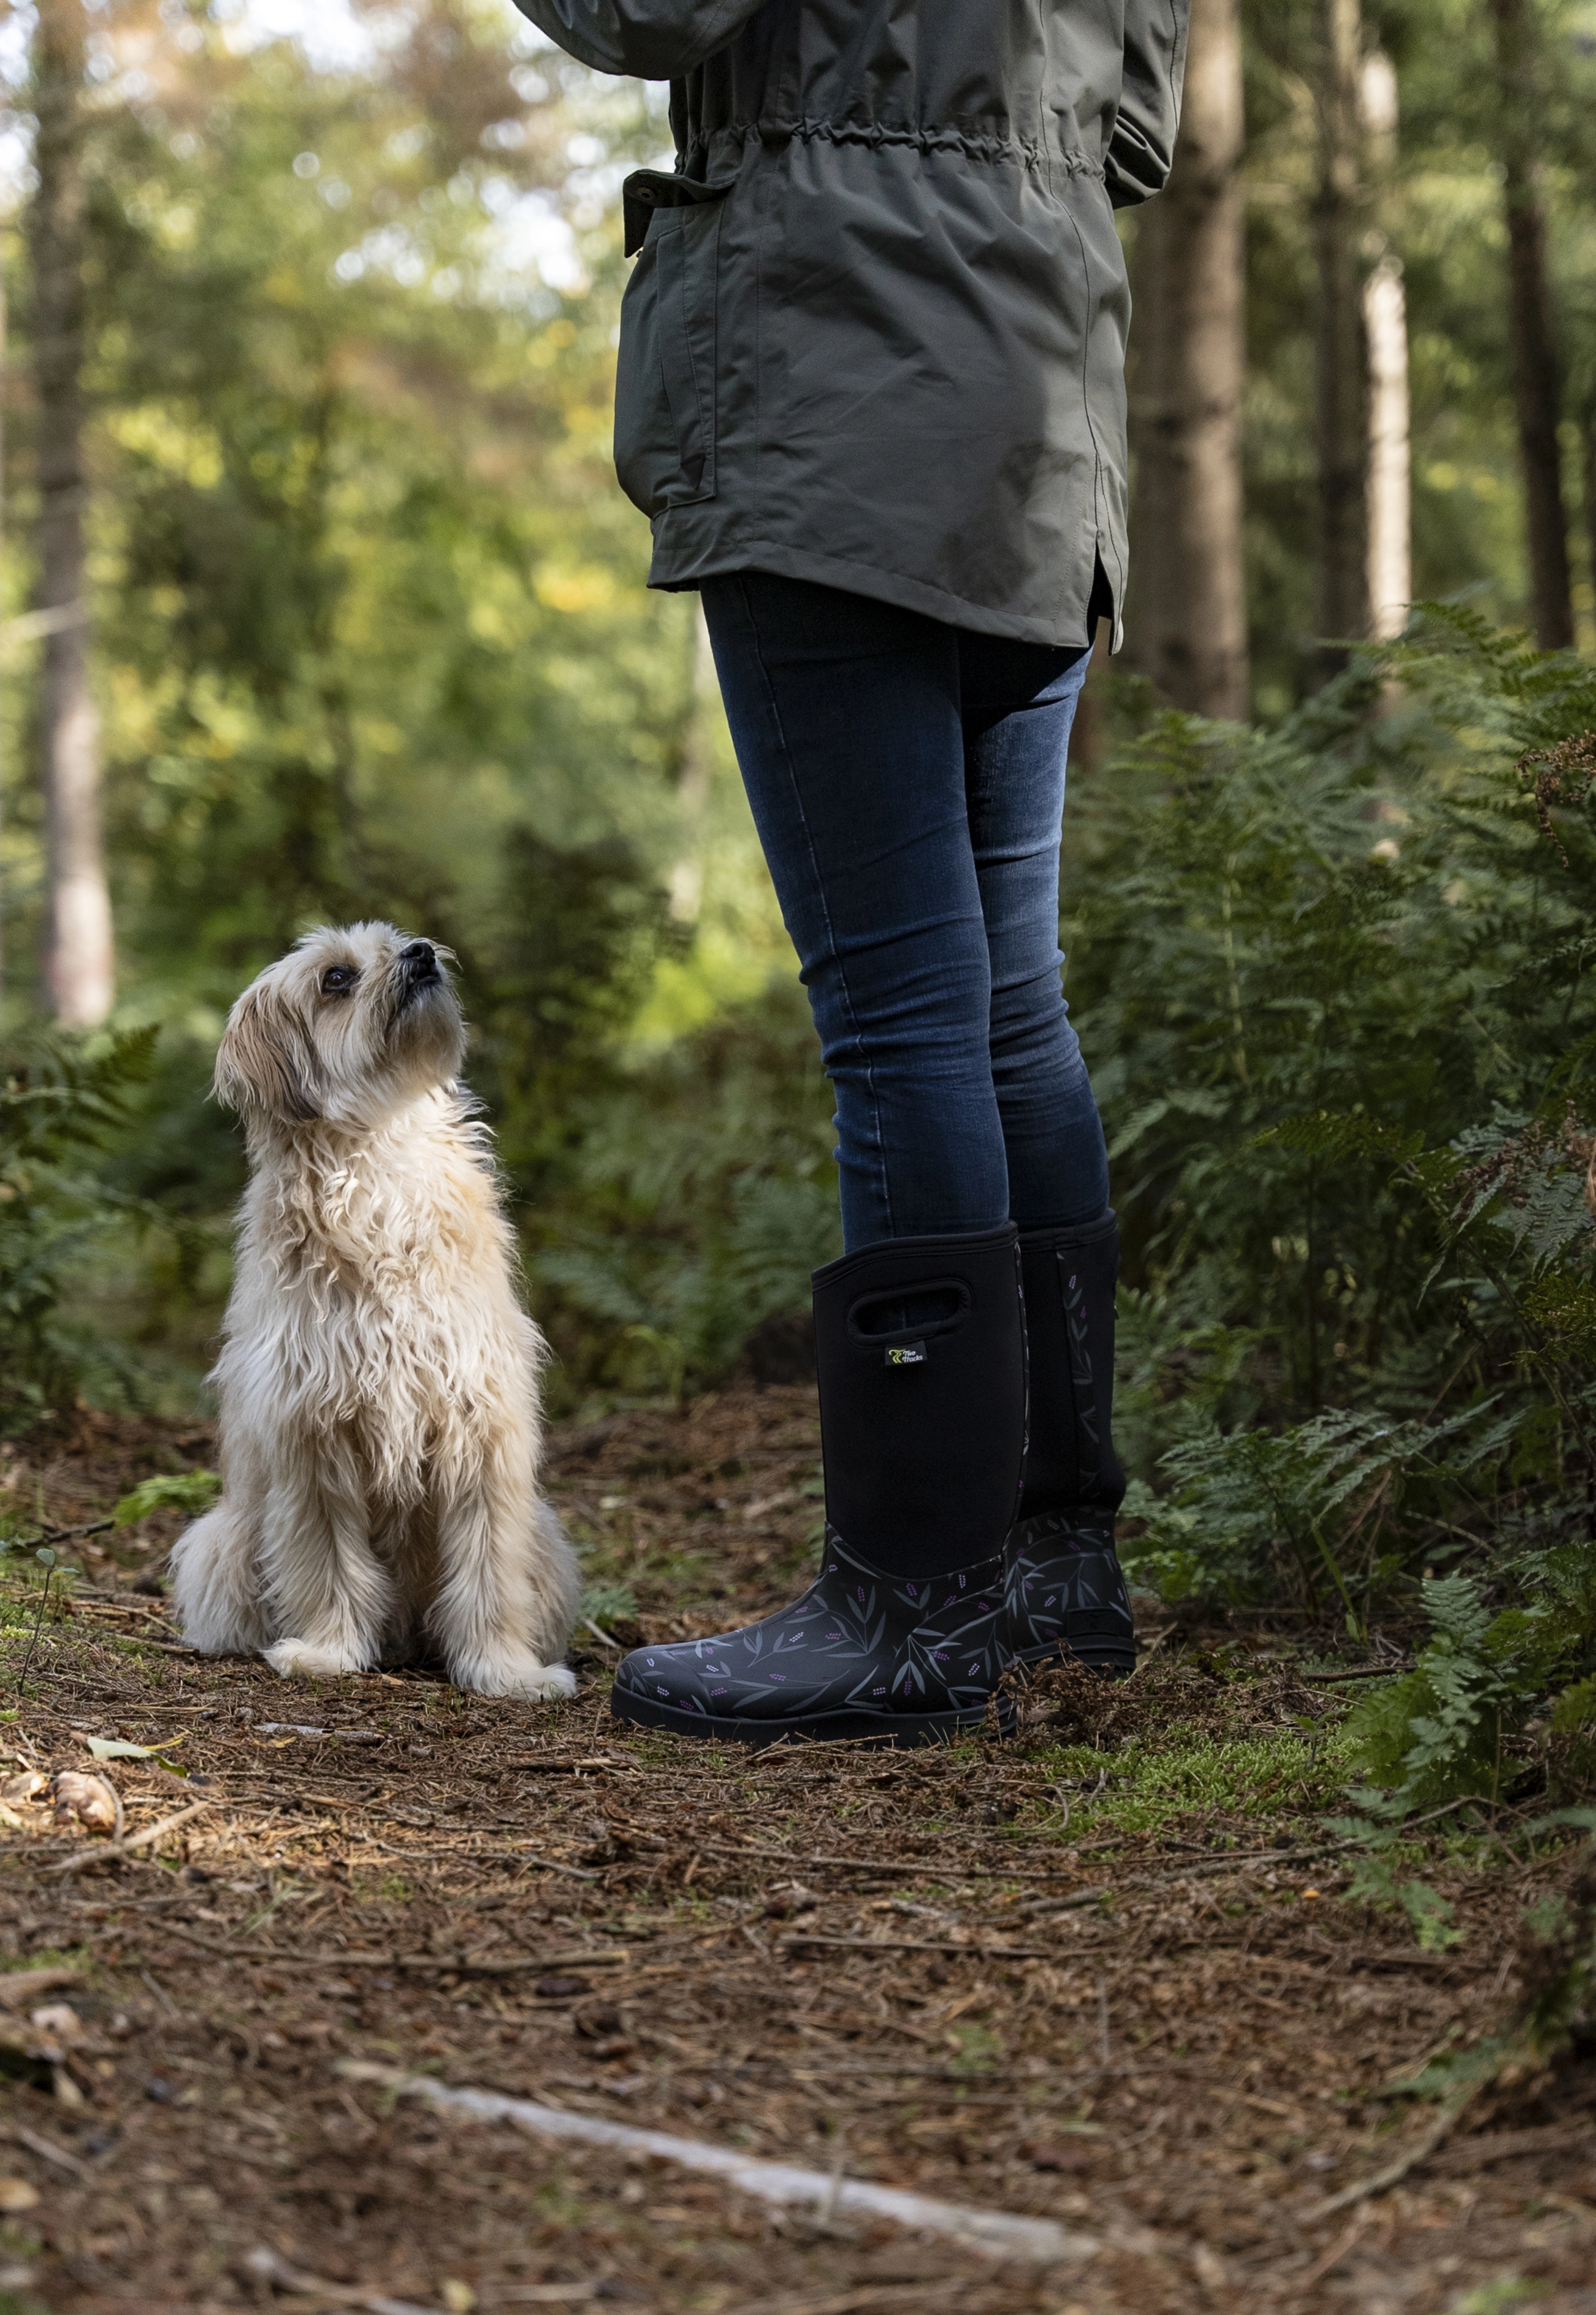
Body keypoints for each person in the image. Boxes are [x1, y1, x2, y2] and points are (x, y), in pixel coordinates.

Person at [511, 0, 1189, 1744]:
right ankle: (1054, 1567)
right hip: (1042, 401)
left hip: (835, 383)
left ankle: (912, 1593)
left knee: (900, 1012)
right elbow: (1140, 132)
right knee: (1003, 1004)